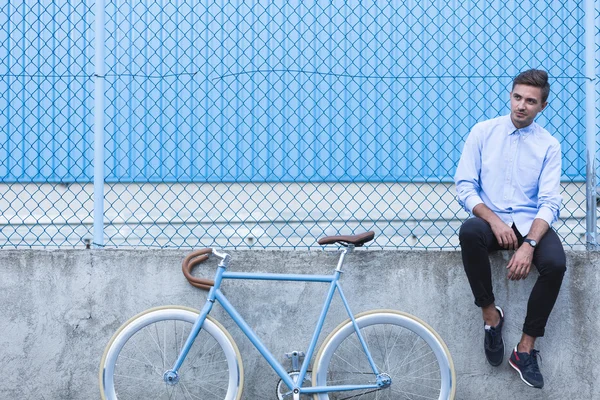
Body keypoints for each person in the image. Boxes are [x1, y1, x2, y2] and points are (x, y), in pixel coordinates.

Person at [454, 69, 566, 389]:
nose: (521, 105)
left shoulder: (548, 145)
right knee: (469, 232)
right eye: (517, 97)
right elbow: (465, 187)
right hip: (492, 221)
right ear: (511, 96)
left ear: (541, 106)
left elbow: (549, 202)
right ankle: (491, 317)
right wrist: (495, 220)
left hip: (530, 223)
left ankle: (525, 349)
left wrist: (529, 243)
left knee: (556, 264)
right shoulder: (483, 132)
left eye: (530, 101)